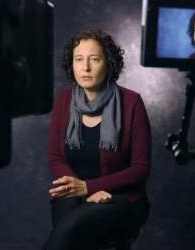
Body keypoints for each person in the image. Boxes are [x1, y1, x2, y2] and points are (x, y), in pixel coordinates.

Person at [45, 29, 151, 250]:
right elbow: (55, 158)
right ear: (71, 64)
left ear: (109, 63)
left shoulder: (132, 102)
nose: (85, 67)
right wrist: (83, 189)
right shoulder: (64, 100)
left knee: (69, 228)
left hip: (122, 198)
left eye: (94, 59)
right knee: (67, 226)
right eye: (78, 59)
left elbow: (140, 169)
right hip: (74, 191)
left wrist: (90, 187)